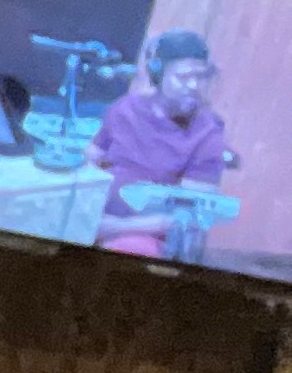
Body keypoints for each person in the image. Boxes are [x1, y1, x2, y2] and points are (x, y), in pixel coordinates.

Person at [93, 28, 240, 262]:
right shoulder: (124, 109)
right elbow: (90, 159)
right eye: (183, 77)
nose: (194, 85)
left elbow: (188, 217)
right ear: (158, 74)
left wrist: (113, 227)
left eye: (201, 77)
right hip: (95, 217)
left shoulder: (207, 133)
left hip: (144, 237)